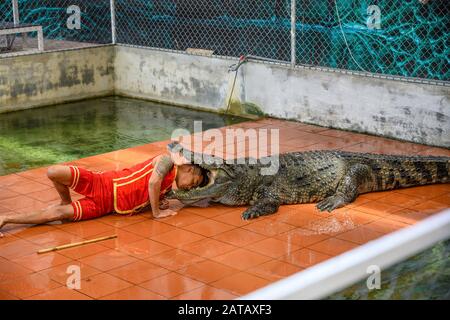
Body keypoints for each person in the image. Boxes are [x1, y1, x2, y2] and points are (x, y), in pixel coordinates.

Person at [0, 152, 204, 230]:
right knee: (53, 171)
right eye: (194, 180)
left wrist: (158, 202)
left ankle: (7, 219)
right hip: (102, 182)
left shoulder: (166, 189)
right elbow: (151, 183)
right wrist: (157, 213)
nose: (190, 185)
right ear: (188, 168)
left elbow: (147, 192)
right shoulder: (166, 160)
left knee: (61, 215)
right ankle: (65, 200)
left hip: (104, 206)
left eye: (194, 186)